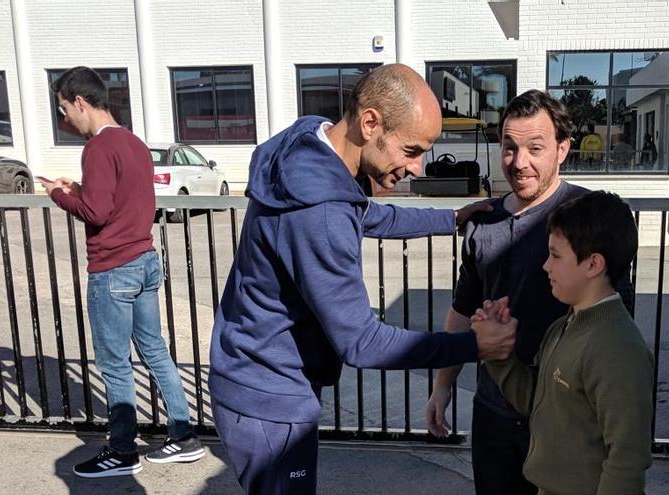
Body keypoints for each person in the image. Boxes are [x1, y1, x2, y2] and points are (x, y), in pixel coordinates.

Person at [207, 64, 514, 495]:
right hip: (269, 397)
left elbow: (365, 212)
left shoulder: (311, 145)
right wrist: (474, 344)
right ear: (370, 122)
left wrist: (450, 218)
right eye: (411, 150)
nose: (418, 167)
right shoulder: (321, 212)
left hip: (249, 373)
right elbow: (362, 343)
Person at [424, 89, 634, 495]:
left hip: (568, 419)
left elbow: (615, 317)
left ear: (563, 149)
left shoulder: (590, 217)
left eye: (535, 147)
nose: (519, 162)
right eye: (509, 147)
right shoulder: (482, 223)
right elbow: (462, 309)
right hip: (495, 410)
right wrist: (442, 386)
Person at [40, 66, 203, 478]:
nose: (64, 120)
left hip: (113, 269)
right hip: (145, 260)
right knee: (155, 350)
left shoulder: (96, 148)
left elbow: (96, 211)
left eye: (64, 109)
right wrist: (79, 190)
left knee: (114, 364)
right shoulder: (133, 142)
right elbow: (118, 201)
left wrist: (59, 195)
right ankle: (183, 437)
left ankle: (121, 450)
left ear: (80, 101)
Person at [474, 191, 654, 495]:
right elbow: (536, 401)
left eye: (555, 255)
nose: (545, 265)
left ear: (593, 264)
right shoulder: (563, 327)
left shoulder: (618, 351)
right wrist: (497, 355)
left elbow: (627, 458)